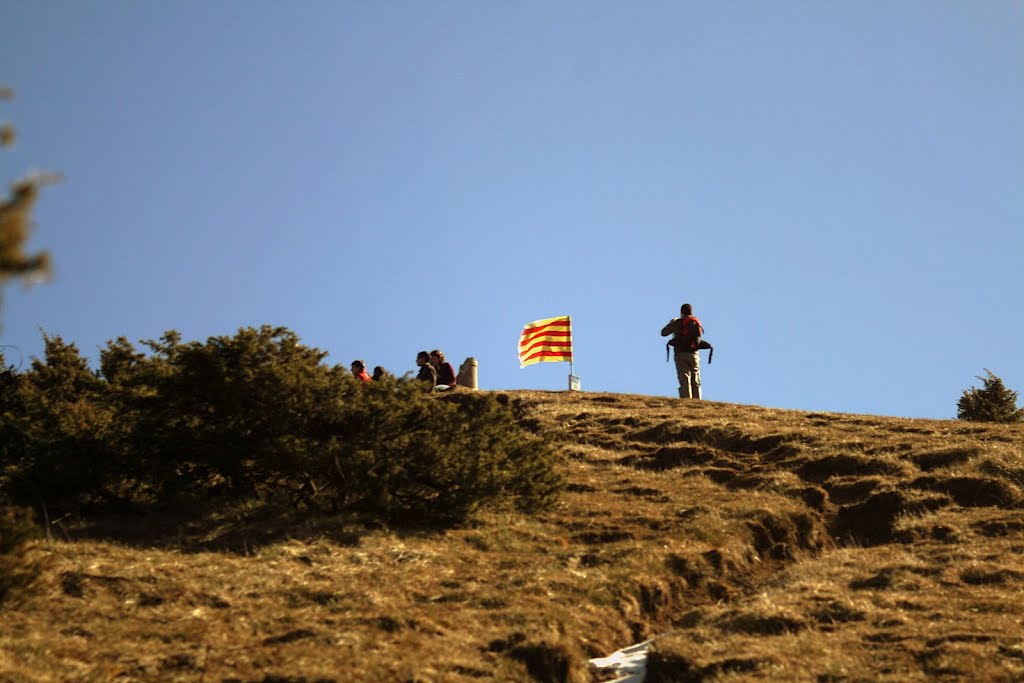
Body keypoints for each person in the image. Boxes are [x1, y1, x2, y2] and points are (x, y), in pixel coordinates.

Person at [661, 303, 703, 399]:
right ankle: (698, 402)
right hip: (694, 355)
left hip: (681, 354)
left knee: (684, 378)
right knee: (695, 378)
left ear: (681, 312)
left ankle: (686, 400)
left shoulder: (678, 323)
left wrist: (672, 323)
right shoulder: (696, 322)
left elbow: (663, 333)